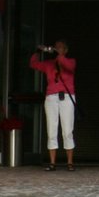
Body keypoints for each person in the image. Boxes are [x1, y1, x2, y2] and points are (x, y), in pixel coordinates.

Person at [29, 39, 77, 171]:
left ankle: (70, 162)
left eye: (61, 47)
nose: (57, 49)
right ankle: (52, 163)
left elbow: (67, 65)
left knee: (67, 130)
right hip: (51, 97)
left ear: (66, 50)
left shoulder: (71, 61)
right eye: (56, 47)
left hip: (67, 97)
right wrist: (38, 52)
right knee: (51, 129)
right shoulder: (49, 64)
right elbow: (33, 64)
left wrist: (59, 54)